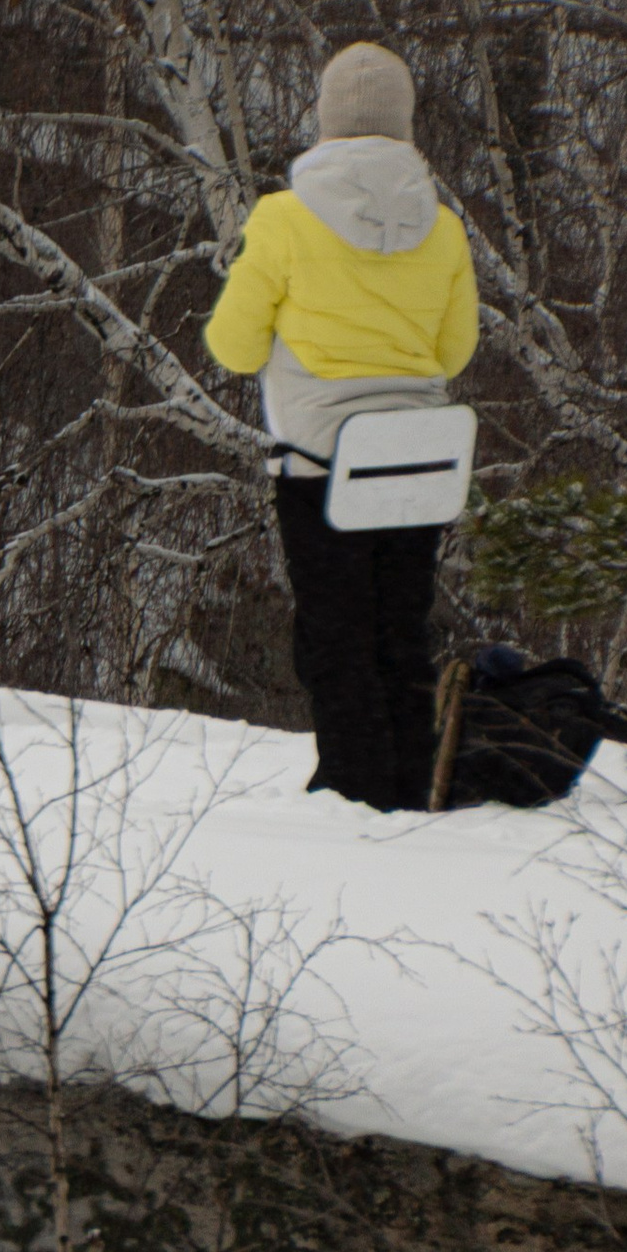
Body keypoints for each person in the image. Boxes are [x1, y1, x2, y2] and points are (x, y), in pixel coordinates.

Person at [203, 43, 478, 810]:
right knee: (401, 629)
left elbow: (232, 345)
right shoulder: (445, 229)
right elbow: (455, 350)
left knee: (336, 636)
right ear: (404, 124)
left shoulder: (284, 220)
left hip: (321, 465)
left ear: (326, 120)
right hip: (420, 463)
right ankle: (415, 776)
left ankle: (355, 793)